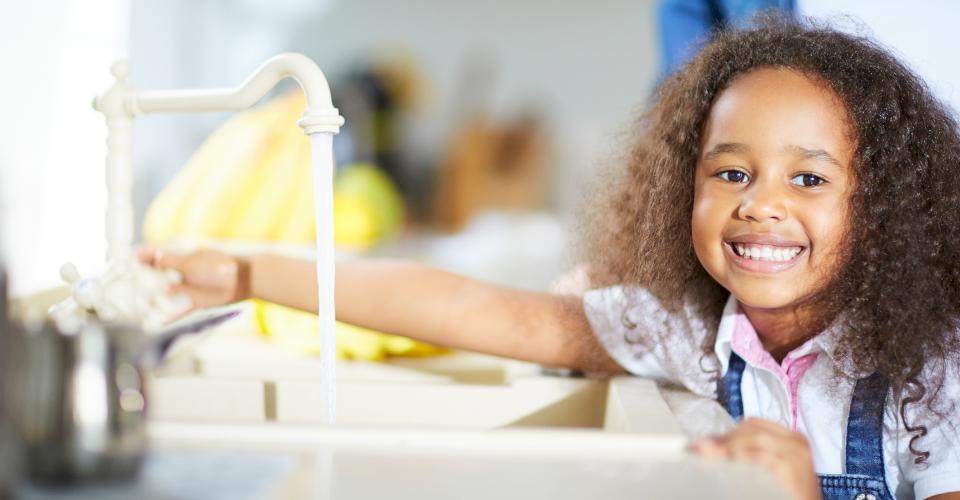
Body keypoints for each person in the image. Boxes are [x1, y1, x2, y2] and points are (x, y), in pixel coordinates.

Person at [141, 16, 960, 500]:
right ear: (685, 186)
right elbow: (481, 311)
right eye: (731, 172)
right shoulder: (684, 331)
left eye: (809, 177)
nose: (760, 202)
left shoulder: (937, 373)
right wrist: (250, 272)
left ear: (887, 207)